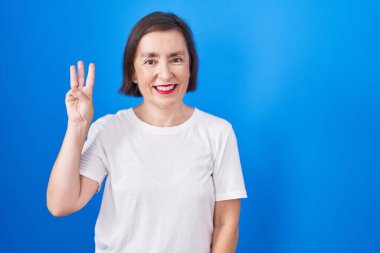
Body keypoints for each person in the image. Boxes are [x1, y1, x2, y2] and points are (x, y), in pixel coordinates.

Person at [46, 11, 248, 253]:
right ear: (133, 71)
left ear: (190, 65)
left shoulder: (218, 133)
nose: (165, 74)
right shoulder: (110, 130)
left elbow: (226, 224)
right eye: (150, 61)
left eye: (176, 59)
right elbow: (61, 204)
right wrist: (77, 127)